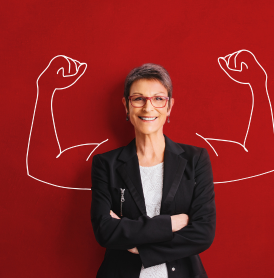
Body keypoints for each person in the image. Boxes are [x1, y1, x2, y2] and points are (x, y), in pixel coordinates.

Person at [90, 63, 216, 278]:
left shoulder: (196, 159)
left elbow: (203, 233)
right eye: (138, 98)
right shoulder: (105, 164)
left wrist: (140, 247)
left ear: (169, 106)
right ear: (126, 106)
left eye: (158, 99)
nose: (148, 108)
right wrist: (171, 223)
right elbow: (105, 231)